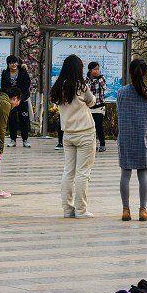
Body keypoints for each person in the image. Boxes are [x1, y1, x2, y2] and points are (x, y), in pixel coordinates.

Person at [50, 54, 98, 219]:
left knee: (68, 172)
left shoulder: (59, 86)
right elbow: (91, 101)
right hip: (85, 132)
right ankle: (81, 210)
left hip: (68, 134)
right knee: (83, 172)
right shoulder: (81, 86)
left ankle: (67, 209)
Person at [117, 58, 147, 221]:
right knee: (143, 175)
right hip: (144, 138)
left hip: (126, 138)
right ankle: (143, 210)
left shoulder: (121, 92)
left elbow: (119, 112)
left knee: (125, 174)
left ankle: (126, 210)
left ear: (130, 73)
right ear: (145, 73)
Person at [2, 55, 31, 148]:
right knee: (12, 119)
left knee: (24, 119)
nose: (13, 64)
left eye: (15, 62)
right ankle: (13, 140)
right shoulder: (5, 73)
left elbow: (27, 85)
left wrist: (20, 97)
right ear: (8, 64)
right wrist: (10, 97)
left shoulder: (23, 72)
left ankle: (25, 140)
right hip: (11, 101)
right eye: (11, 63)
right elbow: (3, 87)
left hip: (22, 99)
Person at [87, 62, 108, 153]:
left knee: (98, 125)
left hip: (99, 106)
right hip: (89, 107)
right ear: (90, 70)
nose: (96, 71)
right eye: (94, 69)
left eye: (98, 69)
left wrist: (99, 78)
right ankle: (93, 144)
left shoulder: (101, 78)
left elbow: (104, 87)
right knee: (91, 126)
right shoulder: (86, 79)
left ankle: (102, 144)